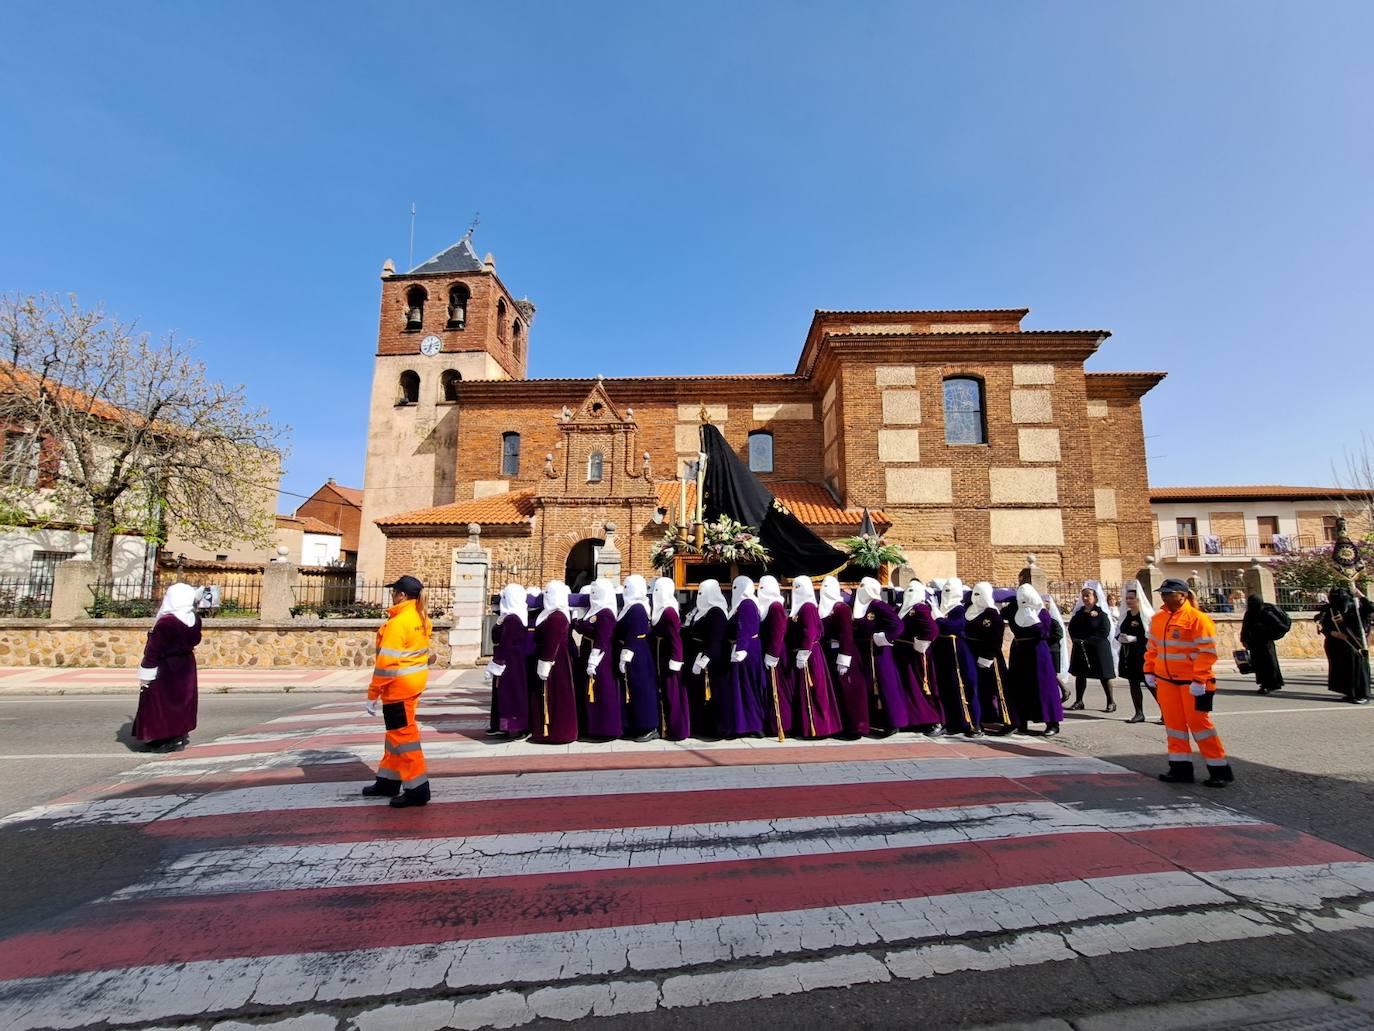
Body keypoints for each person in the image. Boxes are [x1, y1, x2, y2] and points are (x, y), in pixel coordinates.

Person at [1146, 577, 1231, 787]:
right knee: (1174, 726)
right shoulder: (1158, 619)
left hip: (1193, 683)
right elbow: (1152, 649)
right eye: (1163, 593)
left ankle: (1218, 770)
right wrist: (1149, 670)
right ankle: (1180, 769)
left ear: (1182, 595)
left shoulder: (1197, 619)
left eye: (1168, 593)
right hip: (1166, 681)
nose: (1164, 596)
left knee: (1200, 726)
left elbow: (1207, 653)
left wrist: (1199, 679)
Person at [362, 575, 433, 808]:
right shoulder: (420, 617)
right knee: (395, 734)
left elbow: (387, 663)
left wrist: (373, 693)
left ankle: (417, 789)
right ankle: (388, 780)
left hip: (398, 688)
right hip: (413, 684)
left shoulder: (398, 622)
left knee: (404, 737)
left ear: (401, 595)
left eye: (394, 592)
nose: (391, 595)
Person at [133, 582, 204, 753]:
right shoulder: (194, 619)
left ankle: (164, 737)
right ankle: (176, 735)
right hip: (186, 665)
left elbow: (154, 650)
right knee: (181, 701)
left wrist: (146, 670)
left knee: (160, 703)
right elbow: (196, 640)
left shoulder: (167, 622)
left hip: (166, 668)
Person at [782, 576, 842, 738]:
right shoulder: (800, 608)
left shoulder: (808, 607)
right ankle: (806, 726)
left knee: (814, 691)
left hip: (809, 654)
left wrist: (805, 651)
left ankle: (818, 728)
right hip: (804, 653)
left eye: (798, 587)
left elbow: (810, 631)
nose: (796, 591)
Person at [851, 576, 910, 735]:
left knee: (885, 685)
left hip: (878, 653)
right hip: (863, 652)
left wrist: (884, 637)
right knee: (869, 686)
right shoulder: (857, 606)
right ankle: (876, 720)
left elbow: (897, 625)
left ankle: (893, 722)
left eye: (865, 587)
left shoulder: (878, 605)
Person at [1006, 584, 1063, 736]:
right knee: (1019, 687)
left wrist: (1034, 621)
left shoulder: (1041, 612)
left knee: (1043, 686)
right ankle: (1020, 722)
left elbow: (1044, 632)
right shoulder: (1014, 610)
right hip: (1019, 651)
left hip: (1037, 652)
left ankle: (1052, 723)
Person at [573, 579, 623, 740]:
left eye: (596, 593)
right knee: (591, 690)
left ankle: (606, 729)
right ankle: (592, 727)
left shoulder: (606, 613)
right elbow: (581, 626)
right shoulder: (594, 611)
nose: (593, 596)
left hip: (601, 656)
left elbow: (603, 638)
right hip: (590, 650)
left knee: (602, 690)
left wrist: (594, 659)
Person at [819, 575, 868, 738]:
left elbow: (846, 635)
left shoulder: (842, 608)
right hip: (830, 652)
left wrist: (844, 659)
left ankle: (855, 728)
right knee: (836, 691)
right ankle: (840, 725)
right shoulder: (825, 608)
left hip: (844, 654)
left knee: (850, 691)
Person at [530, 580, 578, 744]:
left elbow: (553, 641)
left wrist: (546, 661)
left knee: (555, 695)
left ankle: (557, 732)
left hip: (555, 663)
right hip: (556, 661)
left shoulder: (557, 617)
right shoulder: (553, 614)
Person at [932, 578, 981, 736]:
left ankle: (973, 724)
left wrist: (938, 619)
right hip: (942, 651)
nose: (946, 593)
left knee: (964, 686)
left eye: (950, 590)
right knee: (946, 687)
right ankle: (951, 722)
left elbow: (952, 627)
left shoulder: (959, 609)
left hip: (957, 652)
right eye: (945, 590)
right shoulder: (940, 607)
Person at [894, 581, 944, 736]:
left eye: (912, 590)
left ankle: (934, 720)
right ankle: (915, 720)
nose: (909, 593)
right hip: (902, 654)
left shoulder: (920, 608)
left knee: (923, 686)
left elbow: (932, 629)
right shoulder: (902, 609)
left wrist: (921, 644)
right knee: (908, 687)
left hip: (916, 653)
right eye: (907, 590)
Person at [964, 581, 1014, 734]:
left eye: (981, 594)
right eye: (975, 593)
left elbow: (996, 637)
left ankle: (1009, 721)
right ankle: (983, 718)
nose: (977, 597)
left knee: (998, 688)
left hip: (989, 657)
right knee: (979, 688)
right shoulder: (968, 610)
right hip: (971, 653)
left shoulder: (992, 614)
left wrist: (987, 657)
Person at [616, 574, 660, 741]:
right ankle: (634, 725)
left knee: (642, 690)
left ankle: (648, 726)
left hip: (636, 654)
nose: (625, 590)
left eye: (628, 587)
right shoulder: (631, 606)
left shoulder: (638, 608)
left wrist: (626, 653)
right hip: (632, 652)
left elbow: (636, 632)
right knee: (632, 690)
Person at [486, 583, 532, 738]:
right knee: (507, 695)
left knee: (513, 695)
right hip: (513, 662)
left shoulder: (512, 619)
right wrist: (499, 623)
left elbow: (506, 643)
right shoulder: (510, 617)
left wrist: (497, 662)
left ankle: (518, 728)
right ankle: (505, 726)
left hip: (510, 664)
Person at [686, 579, 731, 738]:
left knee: (713, 693)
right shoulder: (700, 611)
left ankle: (716, 729)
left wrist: (706, 657)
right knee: (698, 694)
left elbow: (716, 638)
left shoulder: (716, 612)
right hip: (696, 654)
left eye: (703, 592)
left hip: (712, 660)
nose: (700, 596)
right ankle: (701, 726)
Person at [725, 576, 768, 737]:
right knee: (743, 687)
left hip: (746, 650)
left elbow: (746, 627)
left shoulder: (747, 603)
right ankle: (745, 724)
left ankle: (754, 724)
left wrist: (740, 648)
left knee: (747, 686)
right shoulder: (746, 603)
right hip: (746, 648)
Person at [1316, 585, 1374, 704]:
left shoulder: (1357, 608)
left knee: (1357, 669)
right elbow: (1323, 625)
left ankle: (1361, 695)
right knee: (1343, 670)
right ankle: (1349, 693)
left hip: (1355, 644)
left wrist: (1361, 596)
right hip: (1336, 644)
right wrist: (1332, 632)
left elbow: (1371, 608)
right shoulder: (1331, 610)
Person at [650, 576, 690, 740]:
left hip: (668, 655)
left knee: (672, 692)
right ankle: (664, 727)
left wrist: (676, 659)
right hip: (660, 653)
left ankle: (676, 729)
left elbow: (675, 637)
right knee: (663, 691)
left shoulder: (669, 611)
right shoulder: (660, 610)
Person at [1068, 582, 1117, 713]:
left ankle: (1111, 701)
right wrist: (1077, 640)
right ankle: (1079, 701)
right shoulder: (1078, 614)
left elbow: (1104, 631)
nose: (1085, 598)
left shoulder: (1101, 614)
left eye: (1087, 596)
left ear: (1095, 597)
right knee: (1080, 675)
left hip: (1098, 648)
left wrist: (1089, 641)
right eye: (1083, 596)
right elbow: (1072, 628)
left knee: (1104, 676)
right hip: (1081, 647)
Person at [757, 574, 791, 737]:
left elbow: (778, 632)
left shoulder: (776, 606)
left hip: (775, 652)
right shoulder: (766, 606)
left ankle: (782, 724)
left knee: (778, 689)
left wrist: (772, 655)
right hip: (767, 650)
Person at [1115, 582, 1154, 723]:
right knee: (1133, 683)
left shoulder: (1146, 616)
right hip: (1129, 654)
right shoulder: (1126, 615)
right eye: (1127, 598)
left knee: (1150, 684)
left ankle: (1165, 712)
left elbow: (1151, 636)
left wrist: (1136, 638)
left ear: (1139, 599)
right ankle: (1138, 712)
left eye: (1132, 598)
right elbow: (1118, 630)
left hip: (1143, 654)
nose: (1129, 601)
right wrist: (1121, 637)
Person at [1241, 593, 1292, 696]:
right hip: (1254, 643)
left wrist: (1265, 631)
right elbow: (1245, 627)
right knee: (1258, 664)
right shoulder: (1249, 613)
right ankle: (1264, 683)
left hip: (1266, 642)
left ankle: (1270, 684)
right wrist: (1244, 640)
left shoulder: (1266, 612)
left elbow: (1280, 626)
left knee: (1269, 663)